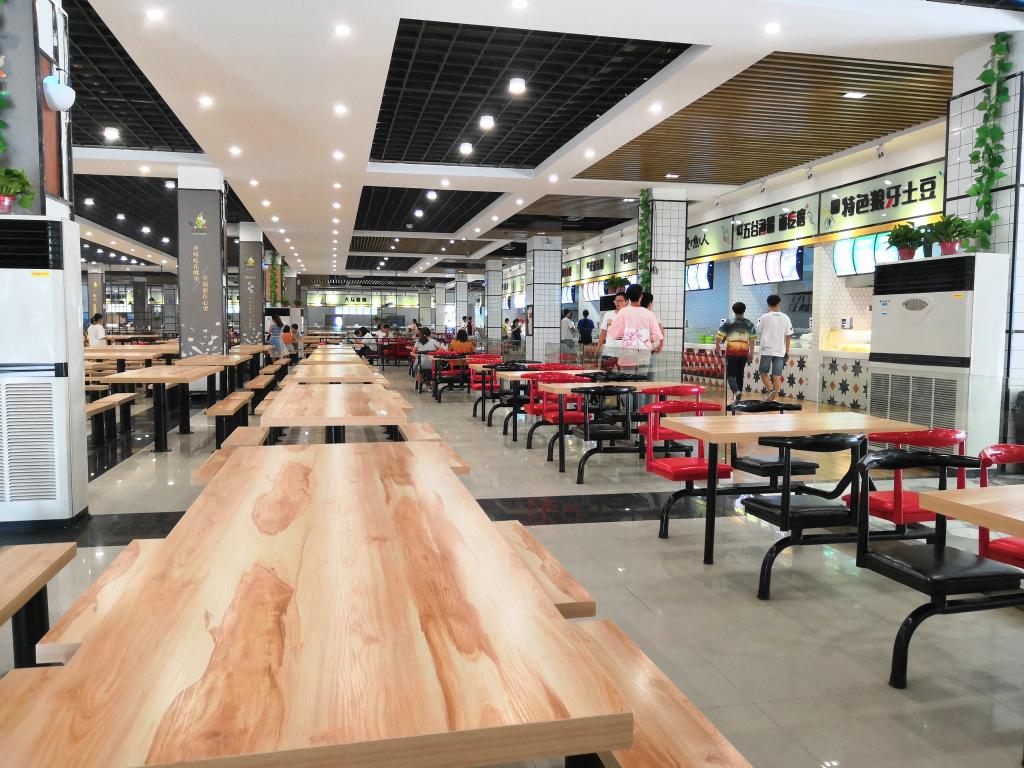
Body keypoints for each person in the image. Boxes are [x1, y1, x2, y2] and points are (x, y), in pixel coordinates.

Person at [607, 284, 664, 374]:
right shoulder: (649, 314)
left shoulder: (623, 312)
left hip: (627, 355)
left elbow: (613, 334)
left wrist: (609, 324)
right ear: (641, 296)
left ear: (628, 297)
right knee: (642, 379)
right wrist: (657, 344)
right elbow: (656, 335)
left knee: (627, 380)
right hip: (644, 355)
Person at [715, 302, 757, 403]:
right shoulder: (749, 324)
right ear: (744, 310)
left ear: (734, 311)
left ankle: (736, 392)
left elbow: (719, 336)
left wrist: (717, 346)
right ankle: (738, 398)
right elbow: (752, 340)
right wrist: (751, 353)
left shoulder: (728, 323)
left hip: (731, 353)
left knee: (730, 376)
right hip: (744, 354)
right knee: (739, 375)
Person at [756, 294, 793, 401]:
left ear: (768, 304)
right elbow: (788, 336)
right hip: (780, 350)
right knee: (776, 375)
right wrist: (787, 351)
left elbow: (759, 328)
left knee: (763, 372)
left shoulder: (764, 316)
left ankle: (770, 389)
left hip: (766, 349)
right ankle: (774, 399)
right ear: (779, 303)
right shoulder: (786, 317)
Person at [597, 291, 627, 370]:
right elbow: (603, 332)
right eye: (616, 301)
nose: (618, 303)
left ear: (626, 302)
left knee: (622, 375)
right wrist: (598, 347)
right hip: (609, 350)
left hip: (623, 351)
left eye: (621, 301)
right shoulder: (608, 314)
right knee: (604, 373)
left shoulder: (629, 315)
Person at [640, 292, 665, 379]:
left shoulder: (637, 314)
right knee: (650, 376)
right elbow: (661, 330)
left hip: (640, 350)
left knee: (640, 376)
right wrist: (661, 344)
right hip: (652, 350)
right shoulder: (653, 315)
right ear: (650, 304)